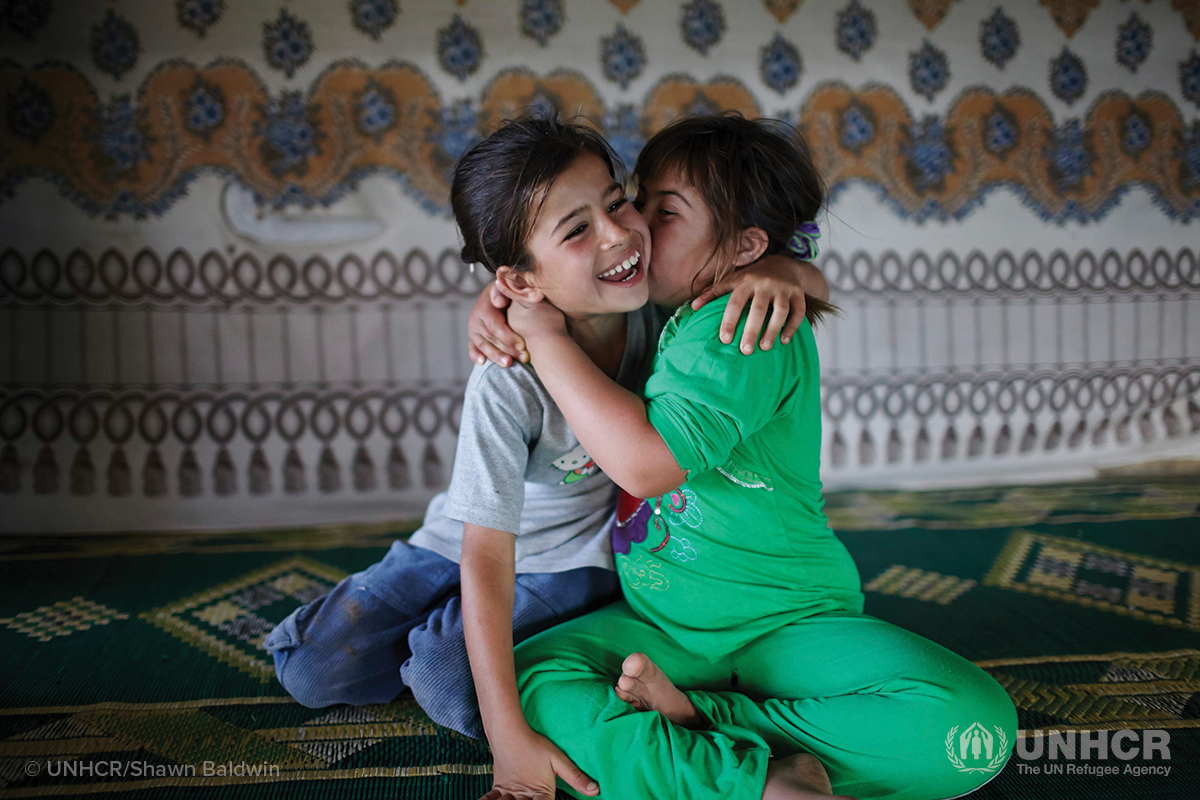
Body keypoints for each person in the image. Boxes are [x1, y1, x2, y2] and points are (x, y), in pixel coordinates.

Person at [261, 114, 825, 799]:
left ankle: (465, 656)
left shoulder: (666, 319)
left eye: (618, 201)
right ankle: (458, 648)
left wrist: (780, 268)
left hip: (574, 565)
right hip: (464, 542)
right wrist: (504, 730)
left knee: (445, 676)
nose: (621, 232)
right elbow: (485, 553)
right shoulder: (509, 373)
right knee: (311, 671)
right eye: (577, 228)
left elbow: (789, 284)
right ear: (520, 285)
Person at [482, 113, 1018, 800]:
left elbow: (646, 467)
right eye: (636, 200)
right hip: (664, 626)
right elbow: (548, 271)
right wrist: (506, 297)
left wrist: (539, 330)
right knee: (528, 678)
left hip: (788, 625)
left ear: (744, 247)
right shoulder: (657, 309)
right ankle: (763, 764)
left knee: (971, 731)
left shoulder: (742, 325)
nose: (636, 226)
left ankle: (709, 740)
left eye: (663, 211)